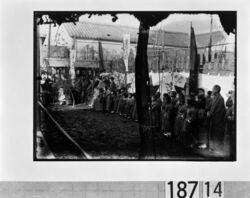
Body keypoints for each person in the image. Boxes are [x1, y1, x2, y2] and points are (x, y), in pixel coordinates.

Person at [207, 85, 226, 151]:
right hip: (218, 119)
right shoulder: (218, 97)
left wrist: (209, 114)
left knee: (215, 133)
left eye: (213, 89)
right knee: (217, 133)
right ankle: (217, 148)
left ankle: (215, 148)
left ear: (216, 90)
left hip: (217, 119)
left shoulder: (218, 98)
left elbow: (213, 108)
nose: (212, 90)